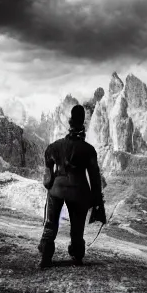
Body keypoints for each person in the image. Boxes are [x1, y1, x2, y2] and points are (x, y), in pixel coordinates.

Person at [38, 104, 104, 268]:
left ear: (70, 121)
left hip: (57, 189)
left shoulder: (54, 146)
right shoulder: (89, 150)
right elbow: (95, 179)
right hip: (79, 192)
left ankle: (46, 257)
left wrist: (51, 182)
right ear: (83, 123)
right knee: (77, 228)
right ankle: (77, 256)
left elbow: (47, 171)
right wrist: (97, 203)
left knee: (50, 224)